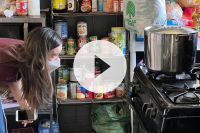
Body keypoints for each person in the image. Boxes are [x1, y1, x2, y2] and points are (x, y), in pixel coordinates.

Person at [0, 27, 62, 132]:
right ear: (40, 53)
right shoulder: (7, 60)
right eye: (53, 55)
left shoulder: (26, 50)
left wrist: (26, 108)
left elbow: (15, 79)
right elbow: (14, 82)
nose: (57, 60)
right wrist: (26, 107)